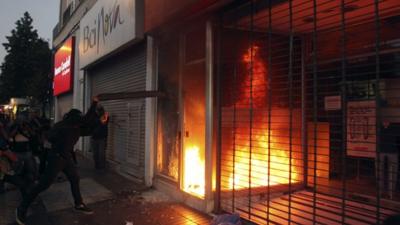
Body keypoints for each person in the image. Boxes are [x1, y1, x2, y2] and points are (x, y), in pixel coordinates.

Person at [16, 97, 100, 225]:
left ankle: (78, 204)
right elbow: (48, 137)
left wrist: (101, 121)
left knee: (74, 178)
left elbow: (89, 128)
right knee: (43, 185)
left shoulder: (75, 127)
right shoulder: (62, 126)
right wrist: (94, 103)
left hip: (66, 158)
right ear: (73, 118)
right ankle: (21, 208)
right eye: (79, 118)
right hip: (56, 158)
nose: (81, 120)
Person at [9, 115, 37, 184]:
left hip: (27, 150)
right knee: (16, 168)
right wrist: (17, 128)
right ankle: (17, 181)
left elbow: (33, 134)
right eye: (20, 120)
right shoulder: (14, 127)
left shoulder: (28, 126)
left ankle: (30, 181)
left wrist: (27, 128)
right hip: (17, 150)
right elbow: (10, 135)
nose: (21, 121)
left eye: (22, 120)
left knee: (30, 167)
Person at [377, 121, 399, 199]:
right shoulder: (379, 128)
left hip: (392, 151)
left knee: (392, 172)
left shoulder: (395, 128)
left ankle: (391, 193)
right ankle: (380, 192)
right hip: (382, 151)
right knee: (380, 171)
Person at [90, 105, 108, 169]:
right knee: (95, 154)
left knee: (101, 154)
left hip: (102, 138)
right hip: (94, 138)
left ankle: (102, 166)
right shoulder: (93, 117)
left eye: (99, 110)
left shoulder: (105, 116)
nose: (98, 112)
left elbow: (103, 122)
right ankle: (96, 165)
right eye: (97, 110)